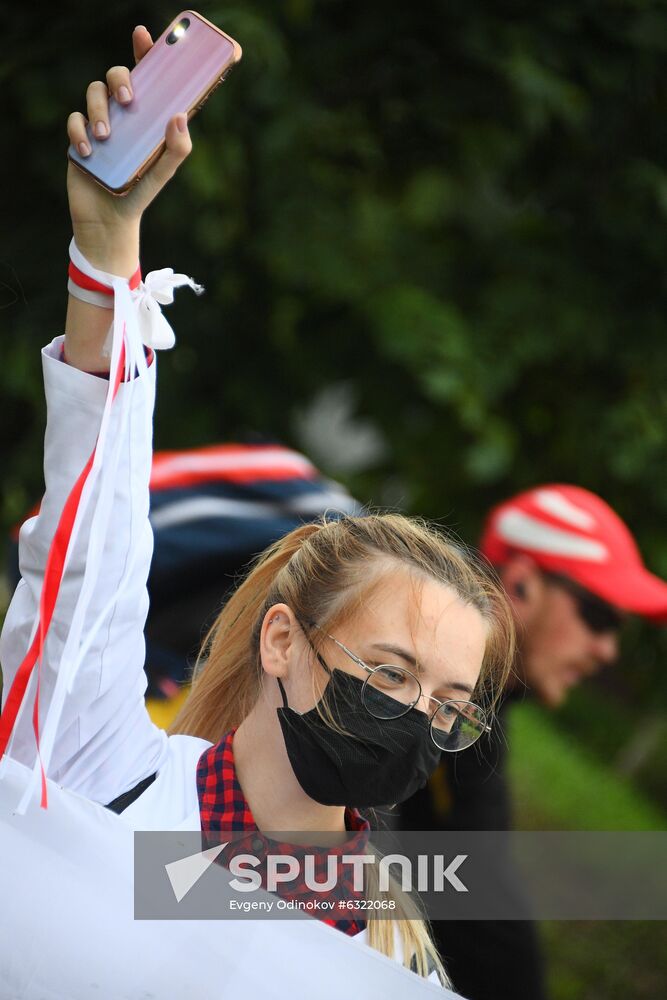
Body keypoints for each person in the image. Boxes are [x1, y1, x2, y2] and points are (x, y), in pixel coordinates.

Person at [0, 25, 517, 992]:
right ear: (281, 640)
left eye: (447, 708)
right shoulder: (100, 772)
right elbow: (88, 554)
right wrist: (109, 249)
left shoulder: (397, 967)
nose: (410, 722)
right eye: (390, 671)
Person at [401, 482, 667, 999]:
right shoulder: (429, 677)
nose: (608, 651)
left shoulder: (482, 704)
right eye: (598, 616)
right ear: (521, 584)